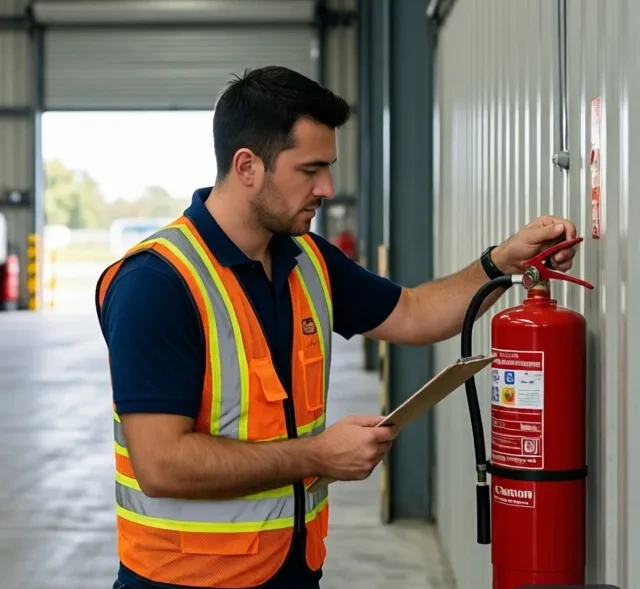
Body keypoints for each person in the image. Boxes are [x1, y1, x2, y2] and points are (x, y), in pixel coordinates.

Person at [95, 65, 578, 589]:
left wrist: (501, 263)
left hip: (291, 571)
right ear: (247, 166)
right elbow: (162, 464)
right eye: (310, 169)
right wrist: (317, 454)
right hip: (182, 580)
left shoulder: (306, 260)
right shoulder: (157, 283)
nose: (327, 187)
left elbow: (413, 312)